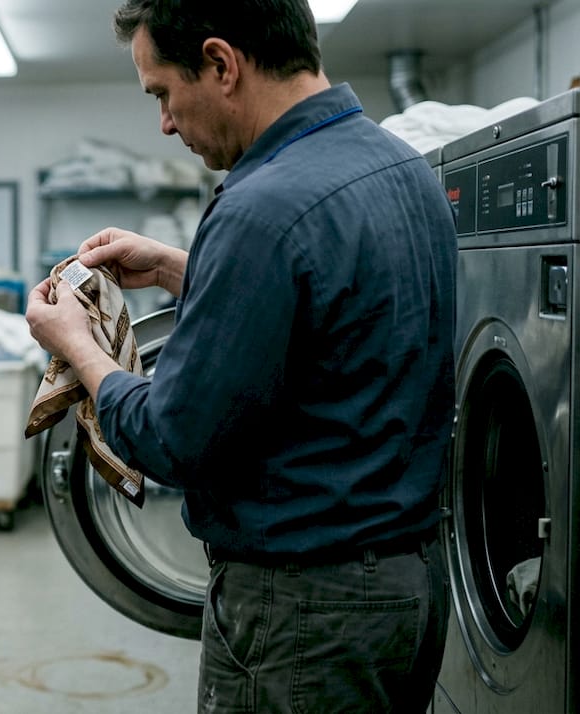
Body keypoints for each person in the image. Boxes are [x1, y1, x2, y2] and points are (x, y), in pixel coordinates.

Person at [24, 1, 456, 711]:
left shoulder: (262, 206)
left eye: (163, 92)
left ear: (222, 64)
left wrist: (78, 345)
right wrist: (179, 268)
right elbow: (335, 321)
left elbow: (173, 439)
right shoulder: (403, 170)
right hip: (406, 592)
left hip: (302, 615)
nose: (164, 122)